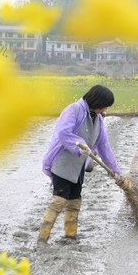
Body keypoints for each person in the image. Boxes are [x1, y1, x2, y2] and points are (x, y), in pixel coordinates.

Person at [39, 85, 123, 242]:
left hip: (78, 167)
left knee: (75, 200)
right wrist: (80, 144)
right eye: (104, 105)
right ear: (96, 101)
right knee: (59, 200)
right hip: (63, 163)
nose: (105, 109)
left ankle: (70, 236)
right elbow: (63, 132)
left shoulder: (97, 118)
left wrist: (114, 170)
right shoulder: (74, 110)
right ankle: (43, 236)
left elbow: (104, 145)